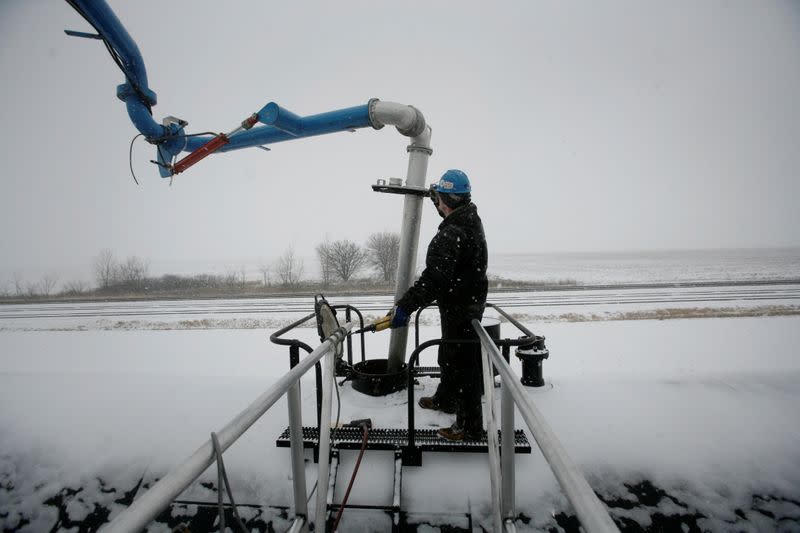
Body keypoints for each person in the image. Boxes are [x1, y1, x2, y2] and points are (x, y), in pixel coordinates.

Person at [389, 169, 488, 441]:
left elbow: (433, 279)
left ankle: (469, 428)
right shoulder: (469, 215)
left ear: (446, 201)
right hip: (466, 301)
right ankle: (446, 399)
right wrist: (438, 195)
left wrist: (405, 306)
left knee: (463, 365)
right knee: (449, 355)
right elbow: (447, 206)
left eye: (439, 199)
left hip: (460, 305)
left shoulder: (452, 233)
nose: (437, 204)